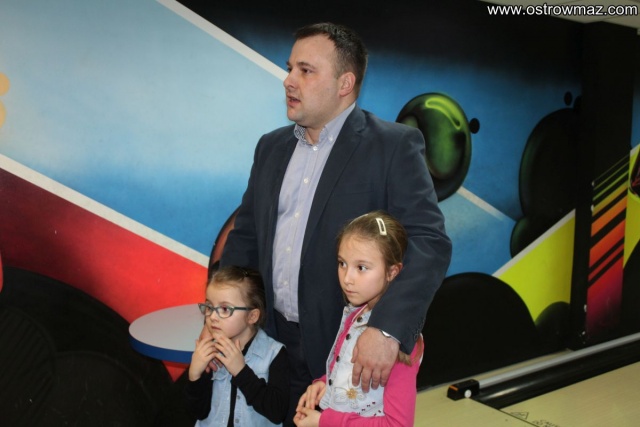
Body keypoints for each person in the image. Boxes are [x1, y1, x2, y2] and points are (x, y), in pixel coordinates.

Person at [219, 22, 451, 425]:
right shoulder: (271, 147)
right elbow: (246, 240)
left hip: (347, 354)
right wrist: (225, 316)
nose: (289, 80)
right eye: (290, 68)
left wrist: (386, 330)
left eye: (306, 70)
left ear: (345, 83)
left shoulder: (392, 146)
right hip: (271, 347)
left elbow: (429, 241)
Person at [294, 211, 422, 426]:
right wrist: (324, 384)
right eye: (342, 263)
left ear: (392, 272)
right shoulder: (355, 314)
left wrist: (324, 421)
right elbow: (346, 372)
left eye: (361, 268)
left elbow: (398, 424)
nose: (347, 278)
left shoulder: (398, 341)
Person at [184, 266, 289, 426]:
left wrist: (241, 372)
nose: (212, 317)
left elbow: (277, 412)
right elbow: (198, 411)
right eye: (209, 307)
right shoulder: (208, 351)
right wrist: (194, 376)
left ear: (252, 316)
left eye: (225, 309)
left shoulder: (274, 354)